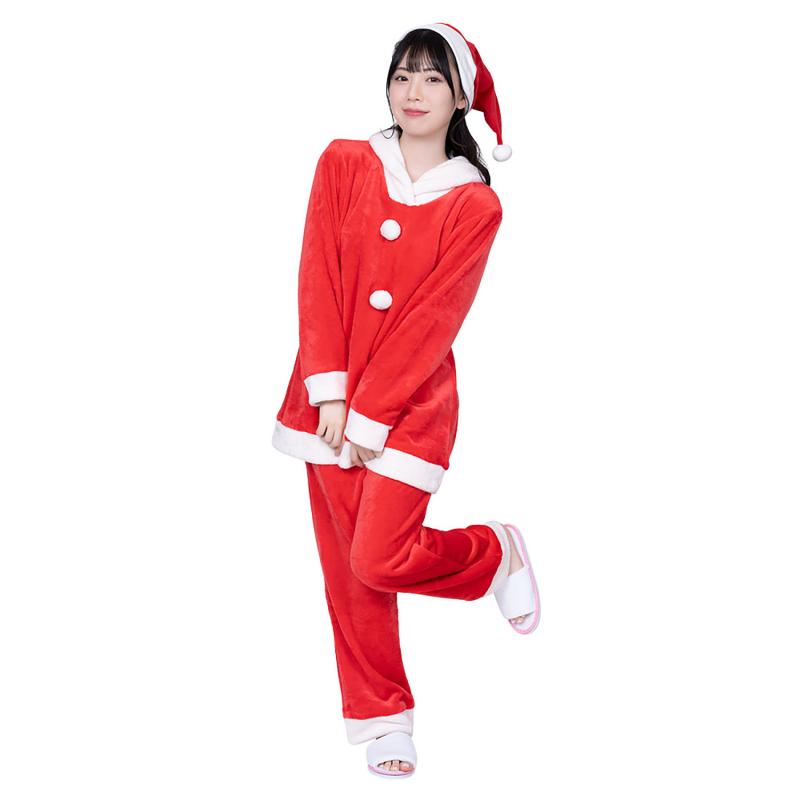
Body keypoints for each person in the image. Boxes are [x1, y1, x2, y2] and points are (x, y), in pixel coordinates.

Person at [271, 22, 541, 778]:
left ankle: (492, 553)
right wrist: (330, 393)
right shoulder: (344, 162)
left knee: (380, 557)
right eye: (402, 76)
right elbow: (317, 277)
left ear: (460, 97)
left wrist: (371, 413)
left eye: (431, 78)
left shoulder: (474, 205)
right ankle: (382, 717)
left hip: (413, 408)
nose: (413, 92)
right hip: (322, 401)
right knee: (347, 571)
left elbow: (434, 319)